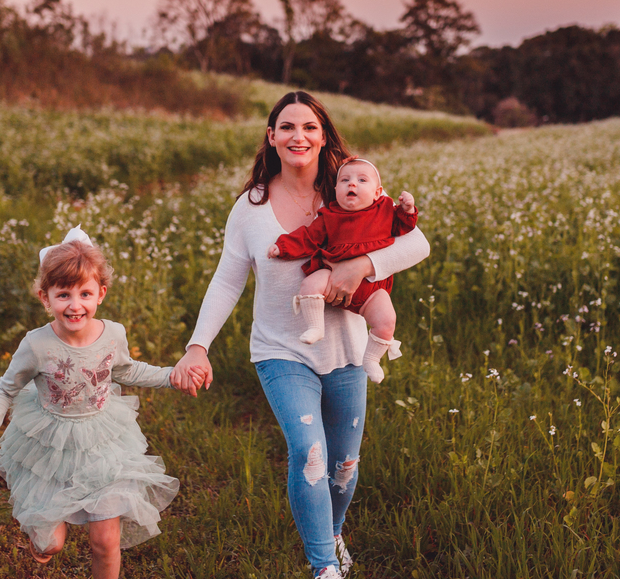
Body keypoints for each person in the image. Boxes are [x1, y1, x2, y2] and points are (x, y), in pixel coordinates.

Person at [171, 91, 430, 579]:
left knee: (345, 462)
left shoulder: (350, 187)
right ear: (271, 137)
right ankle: (323, 566)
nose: (299, 136)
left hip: (347, 350)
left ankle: (334, 531)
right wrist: (197, 346)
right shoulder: (250, 208)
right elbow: (227, 281)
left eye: (310, 127)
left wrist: (359, 266)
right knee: (309, 451)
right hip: (281, 350)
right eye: (287, 127)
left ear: (323, 136)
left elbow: (417, 243)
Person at [0, 227, 189, 579]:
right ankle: (44, 538)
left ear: (101, 294)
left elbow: (127, 370)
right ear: (45, 297)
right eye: (63, 294)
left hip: (102, 443)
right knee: (50, 544)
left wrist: (172, 375)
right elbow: (4, 390)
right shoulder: (36, 345)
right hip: (49, 444)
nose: (75, 305)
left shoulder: (113, 334)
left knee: (106, 542)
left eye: (85, 293)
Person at [267, 157, 417, 383]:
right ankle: (316, 326)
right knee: (310, 283)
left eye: (362, 180)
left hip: (372, 289)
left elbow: (405, 227)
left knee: (387, 320)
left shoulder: (385, 209)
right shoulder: (330, 215)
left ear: (377, 193)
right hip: (333, 273)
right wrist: (283, 247)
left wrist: (407, 209)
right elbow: (309, 237)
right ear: (336, 190)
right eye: (345, 180)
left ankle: (372, 359)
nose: (352, 184)